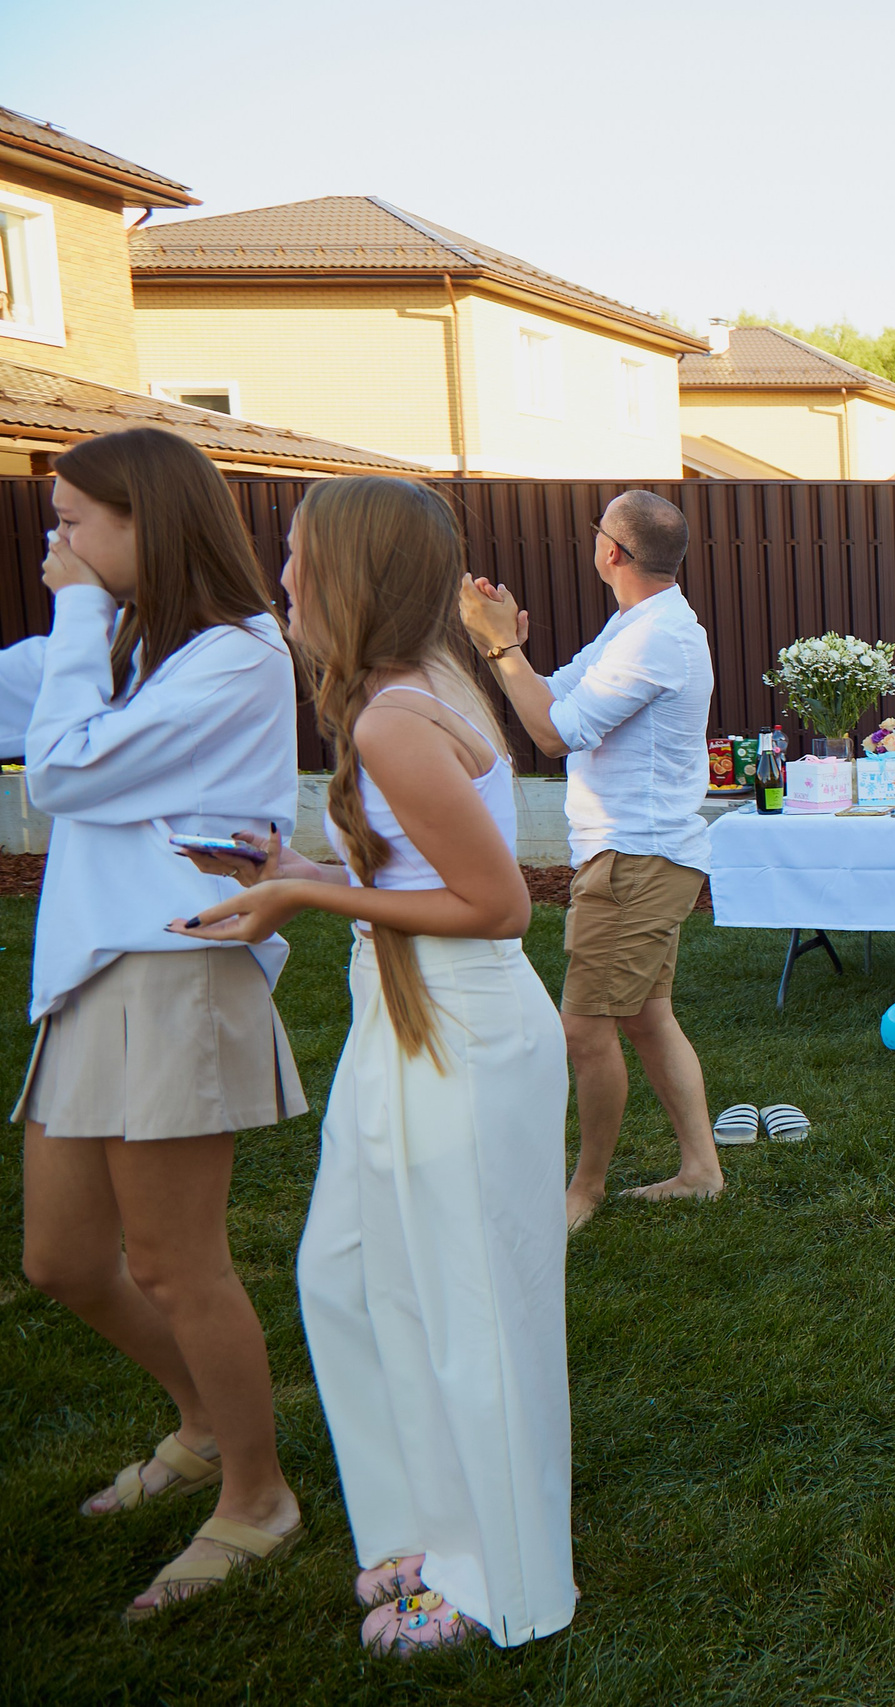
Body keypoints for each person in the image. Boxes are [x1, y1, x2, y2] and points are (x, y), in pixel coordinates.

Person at [175, 476, 573, 1655]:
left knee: (467, 1307)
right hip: (405, 1018)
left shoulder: (398, 716)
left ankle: (498, 1579)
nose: (283, 577)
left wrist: (301, 890)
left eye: (298, 556)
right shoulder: (409, 689)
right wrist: (297, 859)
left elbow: (501, 906)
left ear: (353, 574)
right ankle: (414, 1526)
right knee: (348, 1274)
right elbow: (416, 877)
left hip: (462, 1028)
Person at [11, 428, 307, 1619]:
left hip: (176, 973)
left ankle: (256, 1496)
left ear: (149, 522)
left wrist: (79, 623)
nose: (55, 548)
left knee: (176, 1264)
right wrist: (84, 625)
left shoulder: (237, 658)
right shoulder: (137, 641)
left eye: (77, 522)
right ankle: (199, 1424)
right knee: (64, 1261)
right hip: (95, 974)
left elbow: (66, 773)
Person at [458, 491, 720, 1231]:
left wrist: (503, 648)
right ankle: (700, 1169)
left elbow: (552, 734)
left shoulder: (655, 639)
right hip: (634, 854)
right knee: (645, 1015)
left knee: (584, 1029)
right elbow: (550, 697)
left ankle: (585, 1190)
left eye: (598, 530)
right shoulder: (637, 625)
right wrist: (503, 645)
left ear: (612, 552)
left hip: (633, 859)